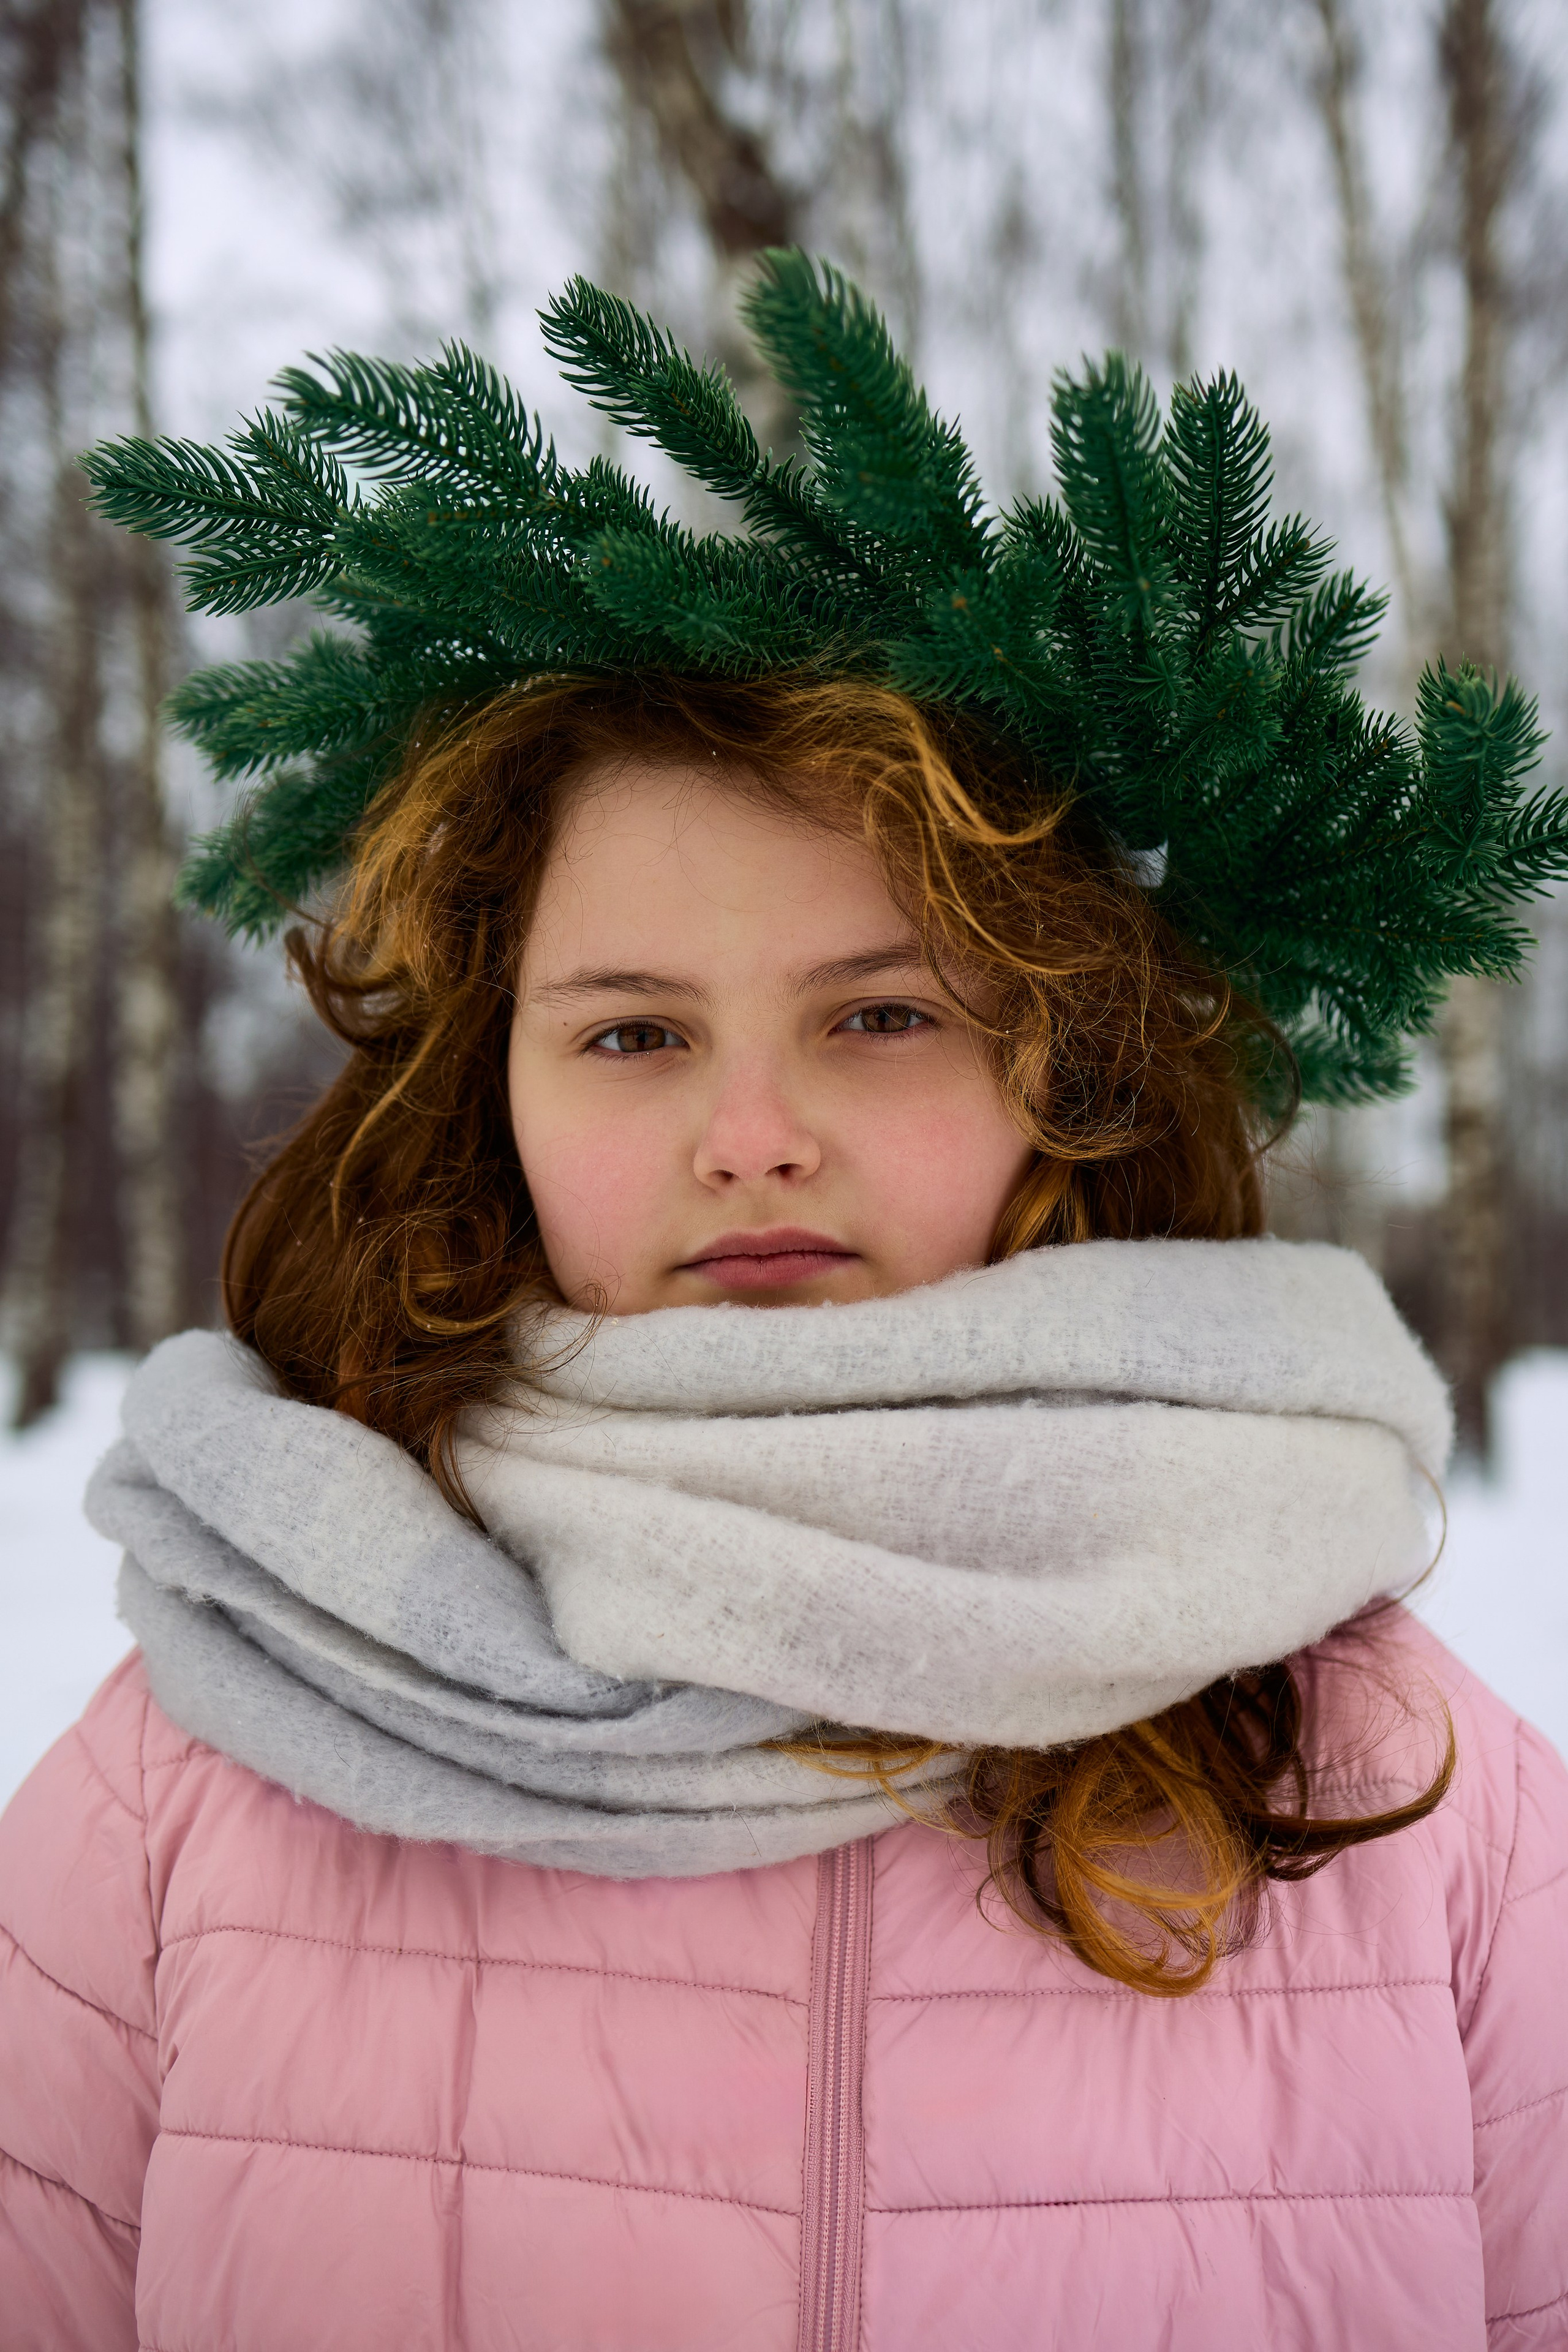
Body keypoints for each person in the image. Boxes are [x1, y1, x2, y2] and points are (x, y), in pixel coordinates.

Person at [2, 255, 1566, 2352]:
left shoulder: (1389, 1775)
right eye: (634, 1035)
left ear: (1060, 1073)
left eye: (883, 1014)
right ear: (497, 1090)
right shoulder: (215, 1745)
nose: (750, 1135)